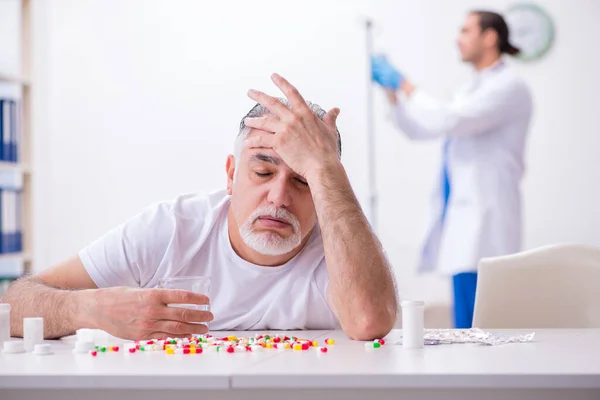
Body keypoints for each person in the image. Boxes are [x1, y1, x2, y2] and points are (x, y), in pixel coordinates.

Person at [1, 74, 398, 341]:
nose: (279, 198)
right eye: (262, 172)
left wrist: (325, 167)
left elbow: (369, 320)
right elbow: (12, 301)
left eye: (303, 181)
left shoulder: (343, 244)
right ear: (231, 174)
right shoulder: (172, 228)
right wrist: (86, 308)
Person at [371, 11, 533, 328]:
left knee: (483, 323)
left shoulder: (508, 87)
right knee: (466, 320)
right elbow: (422, 129)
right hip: (463, 213)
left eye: (466, 30)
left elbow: (448, 120)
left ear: (490, 37)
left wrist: (405, 84)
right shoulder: (471, 89)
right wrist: (392, 94)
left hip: (488, 214)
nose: (458, 38)